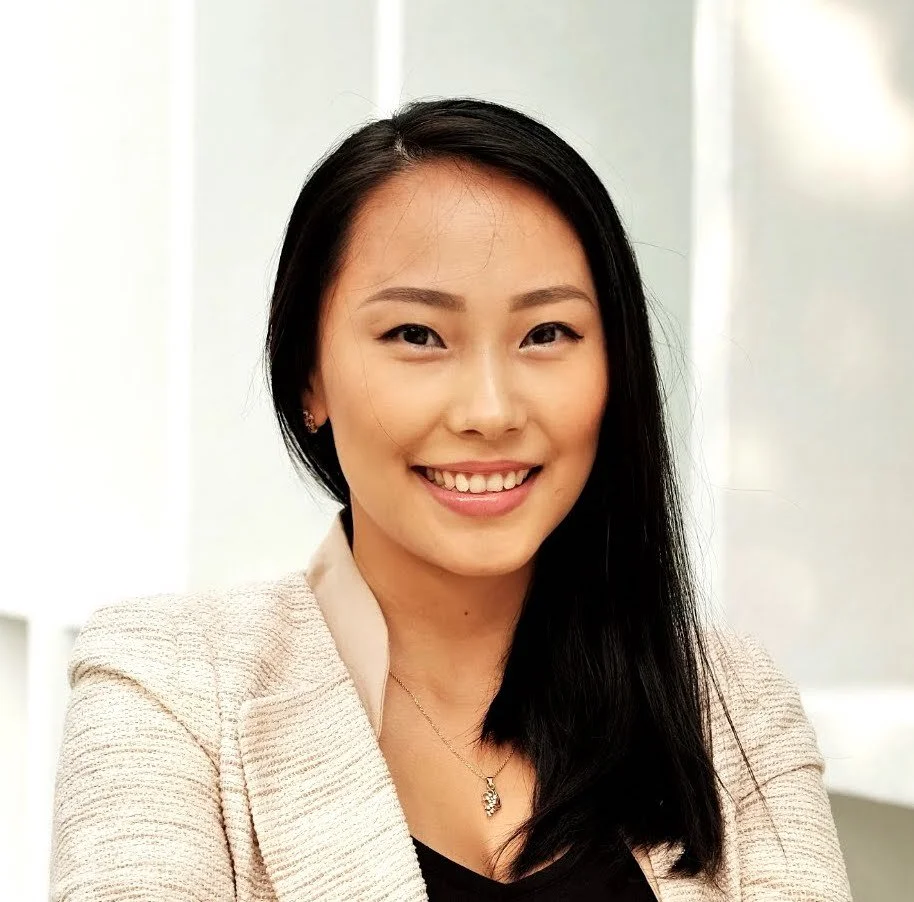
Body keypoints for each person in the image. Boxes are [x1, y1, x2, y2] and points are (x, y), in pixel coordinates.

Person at [50, 98, 853, 901]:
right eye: (416, 335)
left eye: (547, 334)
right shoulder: (167, 691)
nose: (491, 411)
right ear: (308, 377)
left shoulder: (732, 706)